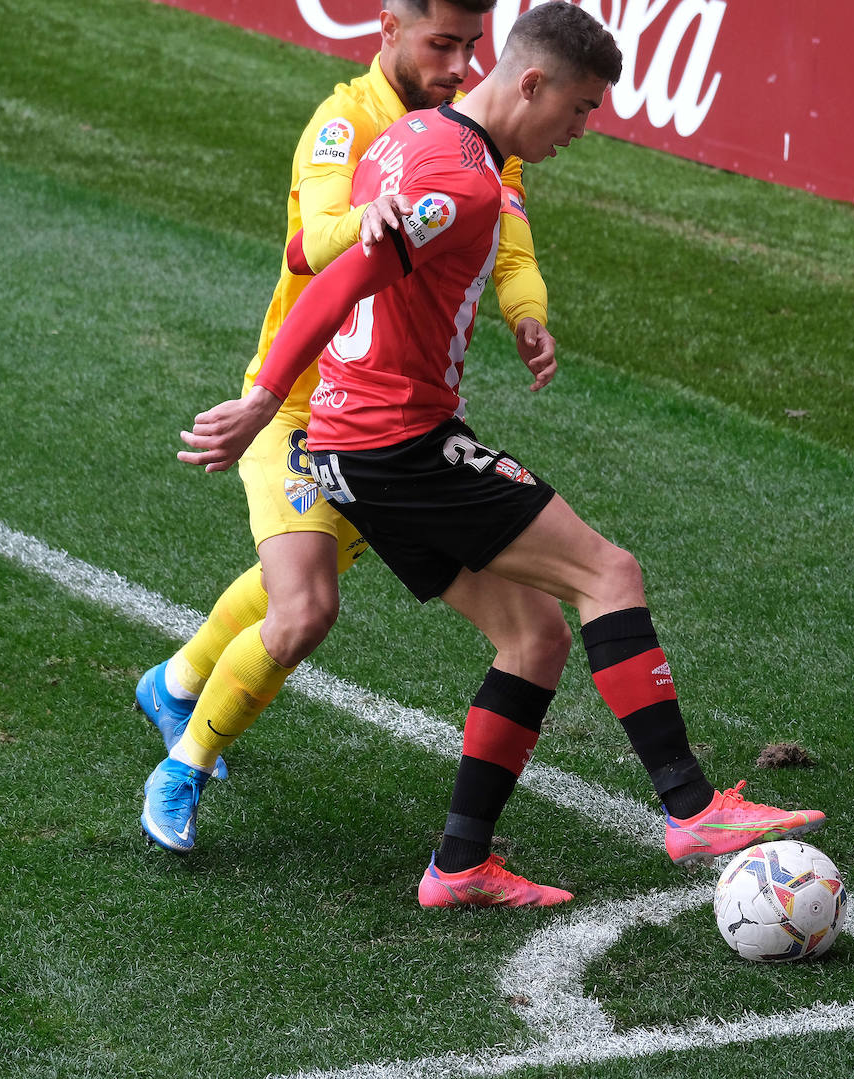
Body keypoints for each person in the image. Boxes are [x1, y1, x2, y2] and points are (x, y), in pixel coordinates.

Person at [171, 0, 826, 909]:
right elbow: (338, 277)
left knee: (533, 637)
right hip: (398, 441)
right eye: (582, 108)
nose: (583, 129)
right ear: (532, 82)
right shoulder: (461, 180)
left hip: (359, 445)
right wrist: (256, 401)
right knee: (609, 574)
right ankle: (690, 807)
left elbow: (330, 248)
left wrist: (524, 312)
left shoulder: (416, 140)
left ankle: (459, 865)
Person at [138, 0, 571, 845]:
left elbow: (511, 242)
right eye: (440, 44)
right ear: (387, 31)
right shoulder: (345, 121)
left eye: (469, 47)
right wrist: (364, 226)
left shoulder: (477, 138)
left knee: (298, 575)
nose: (456, 65)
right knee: (305, 608)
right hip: (299, 403)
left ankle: (181, 676)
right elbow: (312, 243)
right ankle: (182, 765)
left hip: (391, 422)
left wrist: (526, 312)